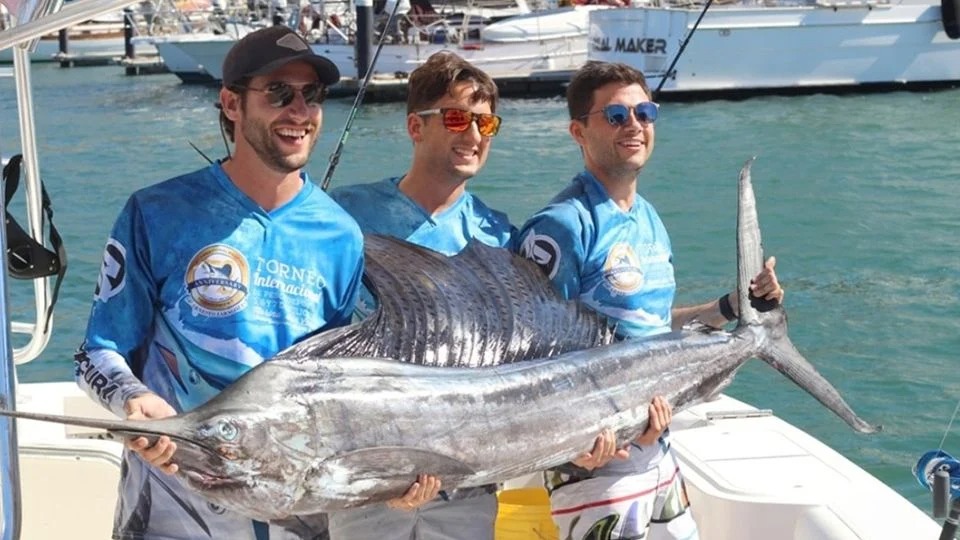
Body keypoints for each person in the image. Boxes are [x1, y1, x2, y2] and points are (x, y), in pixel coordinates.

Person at [73, 25, 362, 540]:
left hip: (298, 525)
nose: (299, 111)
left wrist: (394, 473)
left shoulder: (342, 236)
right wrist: (134, 401)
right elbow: (96, 352)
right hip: (168, 521)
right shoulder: (157, 212)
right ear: (231, 104)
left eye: (311, 95)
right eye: (278, 93)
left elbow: (340, 391)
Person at [517, 61, 784, 539]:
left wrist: (730, 307)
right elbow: (526, 358)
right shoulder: (561, 226)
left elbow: (649, 327)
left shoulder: (648, 218)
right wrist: (572, 447)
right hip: (595, 467)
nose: (635, 125)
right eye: (616, 116)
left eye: (645, 112)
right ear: (578, 131)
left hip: (660, 449)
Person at [327, 51, 514, 539]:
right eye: (456, 118)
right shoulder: (341, 215)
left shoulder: (499, 235)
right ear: (416, 127)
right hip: (369, 478)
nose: (473, 136)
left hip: (467, 484)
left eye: (486, 123)